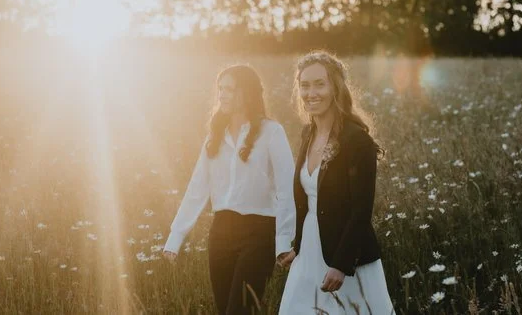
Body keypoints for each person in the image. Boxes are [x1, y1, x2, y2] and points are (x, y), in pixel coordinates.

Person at [164, 64, 296, 314]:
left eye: (230, 89)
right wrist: (176, 237)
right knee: (224, 309)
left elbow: (286, 188)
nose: (222, 94)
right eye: (220, 89)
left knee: (240, 310)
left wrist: (283, 241)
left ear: (247, 94)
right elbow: (197, 189)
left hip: (258, 235)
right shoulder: (214, 137)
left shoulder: (271, 132)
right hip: (221, 234)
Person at [278, 51, 394, 314]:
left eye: (320, 84)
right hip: (308, 252)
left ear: (335, 87)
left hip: (346, 257)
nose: (311, 93)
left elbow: (361, 210)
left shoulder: (357, 141)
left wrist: (341, 265)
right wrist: (297, 247)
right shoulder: (307, 133)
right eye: (304, 86)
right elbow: (307, 201)